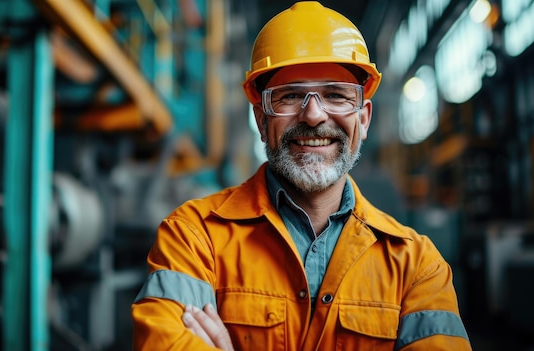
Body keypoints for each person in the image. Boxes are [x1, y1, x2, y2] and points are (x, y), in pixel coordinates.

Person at [131, 2, 471, 350]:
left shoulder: (417, 266)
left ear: (363, 119)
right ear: (262, 120)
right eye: (290, 96)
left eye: (336, 95)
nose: (313, 115)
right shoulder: (191, 236)